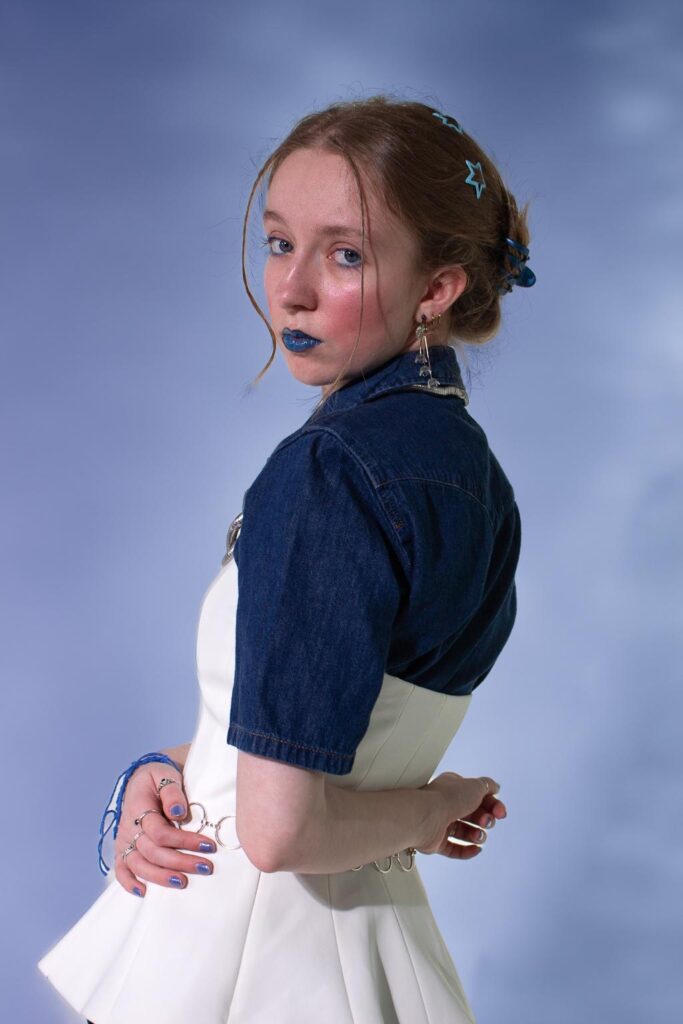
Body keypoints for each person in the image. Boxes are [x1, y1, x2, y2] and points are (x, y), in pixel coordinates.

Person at [37, 94, 532, 1023]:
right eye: (277, 241)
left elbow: (280, 828)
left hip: (238, 972)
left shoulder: (331, 470)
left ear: (438, 287)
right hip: (369, 960)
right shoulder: (477, 482)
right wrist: (172, 765)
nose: (292, 288)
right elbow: (336, 730)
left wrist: (436, 809)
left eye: (345, 253)